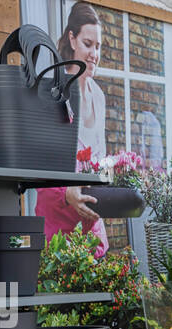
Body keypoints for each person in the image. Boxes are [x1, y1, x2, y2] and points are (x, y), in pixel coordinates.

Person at [36, 2, 108, 254]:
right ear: (72, 38)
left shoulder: (99, 96)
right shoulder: (53, 91)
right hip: (58, 228)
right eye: (88, 44)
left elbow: (99, 160)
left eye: (98, 47)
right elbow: (39, 162)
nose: (94, 54)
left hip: (92, 230)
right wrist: (66, 193)